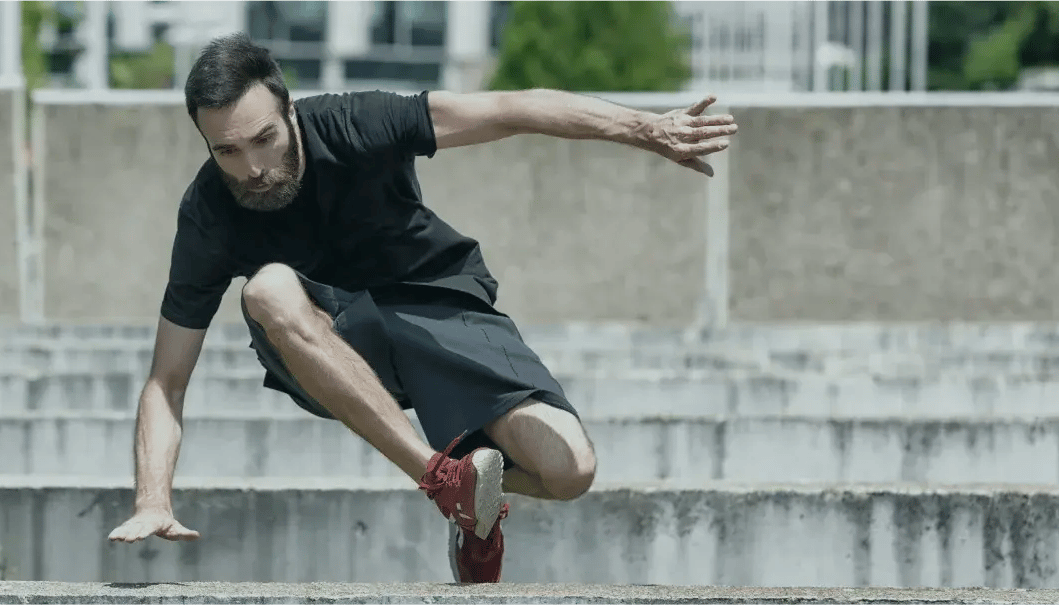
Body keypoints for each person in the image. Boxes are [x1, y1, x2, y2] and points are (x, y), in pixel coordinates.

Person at [107, 32, 738, 583]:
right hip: (328, 340)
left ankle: (473, 498)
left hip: (436, 303)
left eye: (263, 139)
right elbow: (167, 380)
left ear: (288, 110)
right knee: (267, 286)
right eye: (227, 152)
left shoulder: (358, 122)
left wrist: (645, 128)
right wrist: (152, 497)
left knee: (570, 469)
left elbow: (512, 109)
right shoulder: (208, 215)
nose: (252, 168)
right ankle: (445, 481)